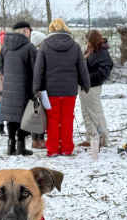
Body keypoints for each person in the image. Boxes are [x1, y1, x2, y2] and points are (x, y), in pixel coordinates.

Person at [33, 18, 91, 157]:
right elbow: (82, 68)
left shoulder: (45, 45)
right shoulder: (75, 46)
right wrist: (86, 84)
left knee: (52, 119)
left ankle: (52, 149)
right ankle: (66, 148)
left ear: (51, 29)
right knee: (67, 118)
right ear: (65, 29)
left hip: (50, 90)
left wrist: (36, 87)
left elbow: (39, 68)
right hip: (69, 90)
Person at [0, 21, 37, 155]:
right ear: (26, 31)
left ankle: (10, 145)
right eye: (30, 31)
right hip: (25, 88)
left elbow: (1, 67)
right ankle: (21, 146)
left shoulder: (4, 47)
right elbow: (35, 70)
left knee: (11, 117)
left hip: (9, 88)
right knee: (23, 117)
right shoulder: (29, 47)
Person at [78, 30, 113, 149]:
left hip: (92, 87)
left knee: (96, 113)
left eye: (87, 40)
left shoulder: (102, 53)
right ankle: (91, 138)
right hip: (83, 86)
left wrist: (87, 78)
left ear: (92, 40)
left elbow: (104, 72)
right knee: (86, 113)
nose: (86, 42)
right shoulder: (90, 51)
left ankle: (103, 139)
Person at [28, 30, 48, 149]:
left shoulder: (32, 53)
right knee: (39, 114)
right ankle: (39, 140)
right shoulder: (38, 54)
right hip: (38, 87)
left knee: (35, 113)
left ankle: (35, 139)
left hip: (32, 87)